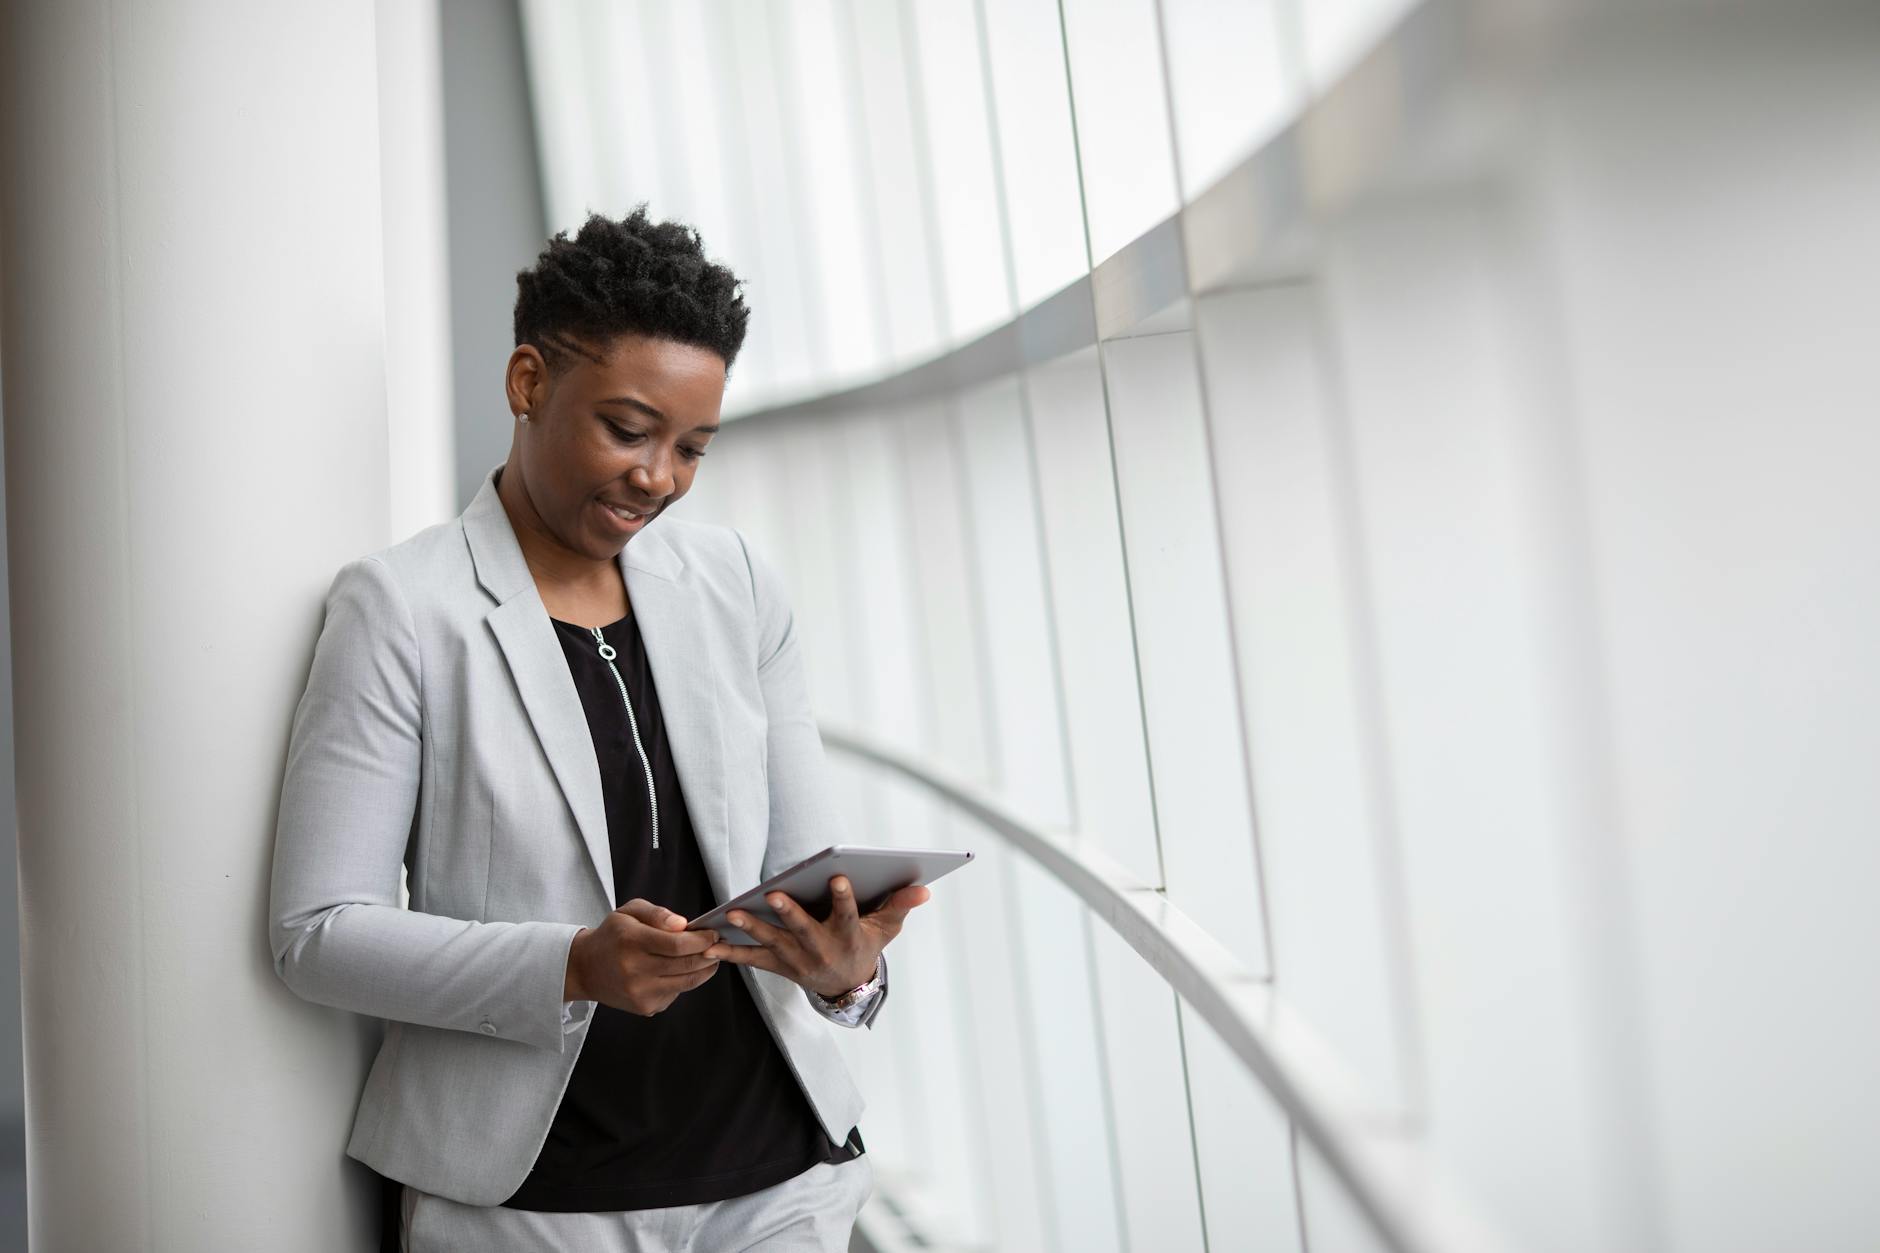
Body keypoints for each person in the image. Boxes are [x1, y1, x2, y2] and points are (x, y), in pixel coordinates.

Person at [268, 204, 930, 1252]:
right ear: (528, 383)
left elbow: (794, 873)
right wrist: (571, 962)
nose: (656, 476)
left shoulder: (738, 584)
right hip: (533, 1198)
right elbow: (318, 932)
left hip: (777, 1176)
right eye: (626, 429)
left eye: (691, 447)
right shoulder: (402, 607)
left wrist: (845, 967)